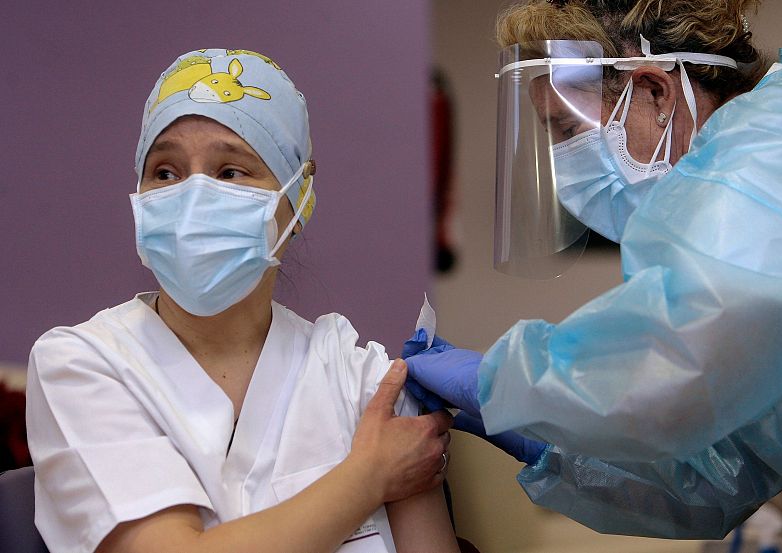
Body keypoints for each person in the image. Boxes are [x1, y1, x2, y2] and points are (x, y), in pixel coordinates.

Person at [25, 49, 458, 553]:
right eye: (165, 172)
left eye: (231, 172)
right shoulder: (80, 366)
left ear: (296, 206)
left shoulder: (358, 380)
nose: (193, 197)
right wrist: (370, 476)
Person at [404, 0, 782, 540]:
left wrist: (503, 383)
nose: (565, 162)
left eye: (568, 128)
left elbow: (678, 364)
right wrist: (547, 444)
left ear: (656, 91)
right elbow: (717, 474)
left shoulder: (772, 145)